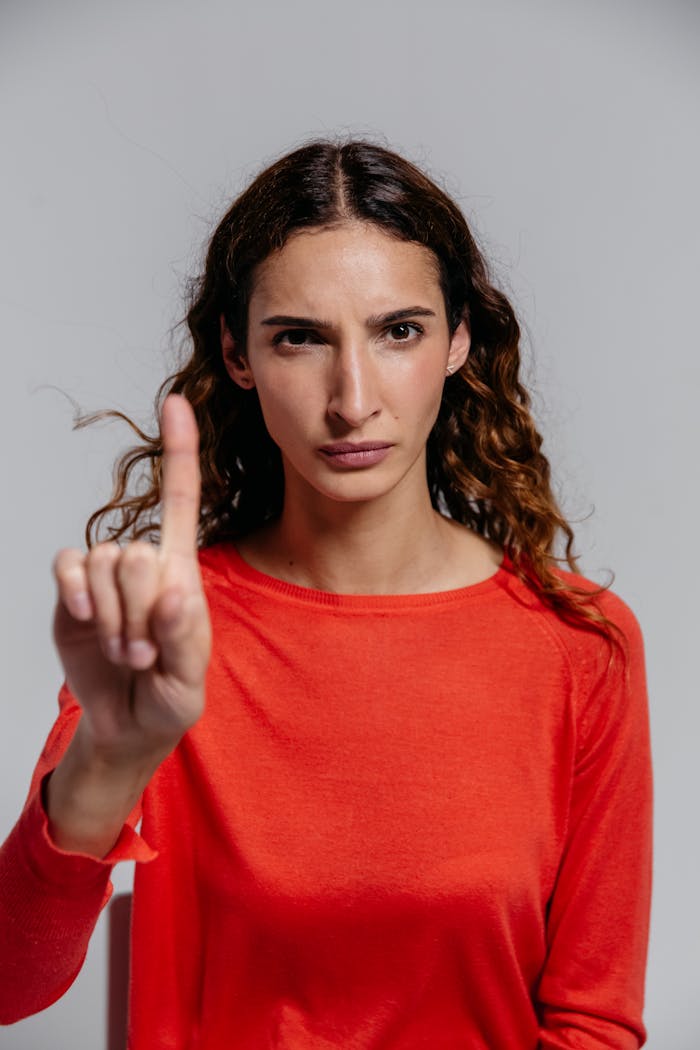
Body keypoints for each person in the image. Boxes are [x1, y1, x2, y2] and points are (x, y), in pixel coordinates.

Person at [0, 139, 652, 1048]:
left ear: (460, 339)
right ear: (236, 352)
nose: (352, 399)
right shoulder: (167, 632)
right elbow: (8, 985)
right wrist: (107, 764)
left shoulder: (579, 644)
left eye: (399, 331)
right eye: (300, 337)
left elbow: (593, 1022)